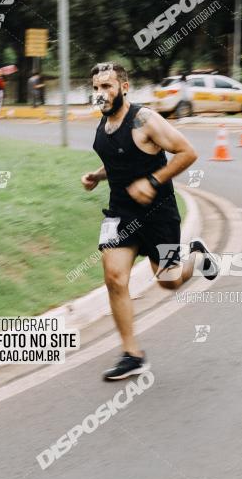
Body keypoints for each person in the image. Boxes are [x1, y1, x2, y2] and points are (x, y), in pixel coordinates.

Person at [82, 62, 219, 381]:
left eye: (107, 86)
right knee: (115, 278)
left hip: (159, 214)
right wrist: (98, 176)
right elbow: (120, 160)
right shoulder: (103, 127)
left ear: (124, 87)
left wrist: (154, 182)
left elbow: (187, 152)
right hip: (120, 213)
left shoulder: (145, 119)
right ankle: (133, 354)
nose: (101, 93)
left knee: (168, 280)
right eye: (96, 88)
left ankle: (196, 256)